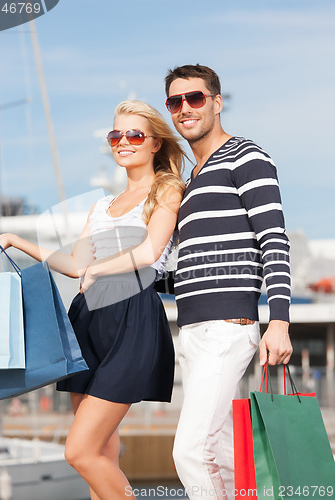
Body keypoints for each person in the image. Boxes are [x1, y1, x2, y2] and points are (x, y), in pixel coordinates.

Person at [0, 100, 186, 500]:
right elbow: (76, 265)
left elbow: (149, 252)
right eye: (116, 135)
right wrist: (16, 241)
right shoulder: (102, 205)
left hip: (132, 314)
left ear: (156, 143)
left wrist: (101, 269)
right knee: (104, 449)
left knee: (79, 451)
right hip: (89, 318)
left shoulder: (167, 189)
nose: (123, 142)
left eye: (134, 135)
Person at [164, 64, 293, 500]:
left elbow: (273, 239)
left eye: (195, 98)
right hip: (193, 330)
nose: (185, 108)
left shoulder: (245, 155)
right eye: (175, 101)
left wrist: (280, 320)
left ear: (217, 102)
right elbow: (188, 269)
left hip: (228, 326)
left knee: (192, 453)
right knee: (218, 450)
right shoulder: (190, 182)